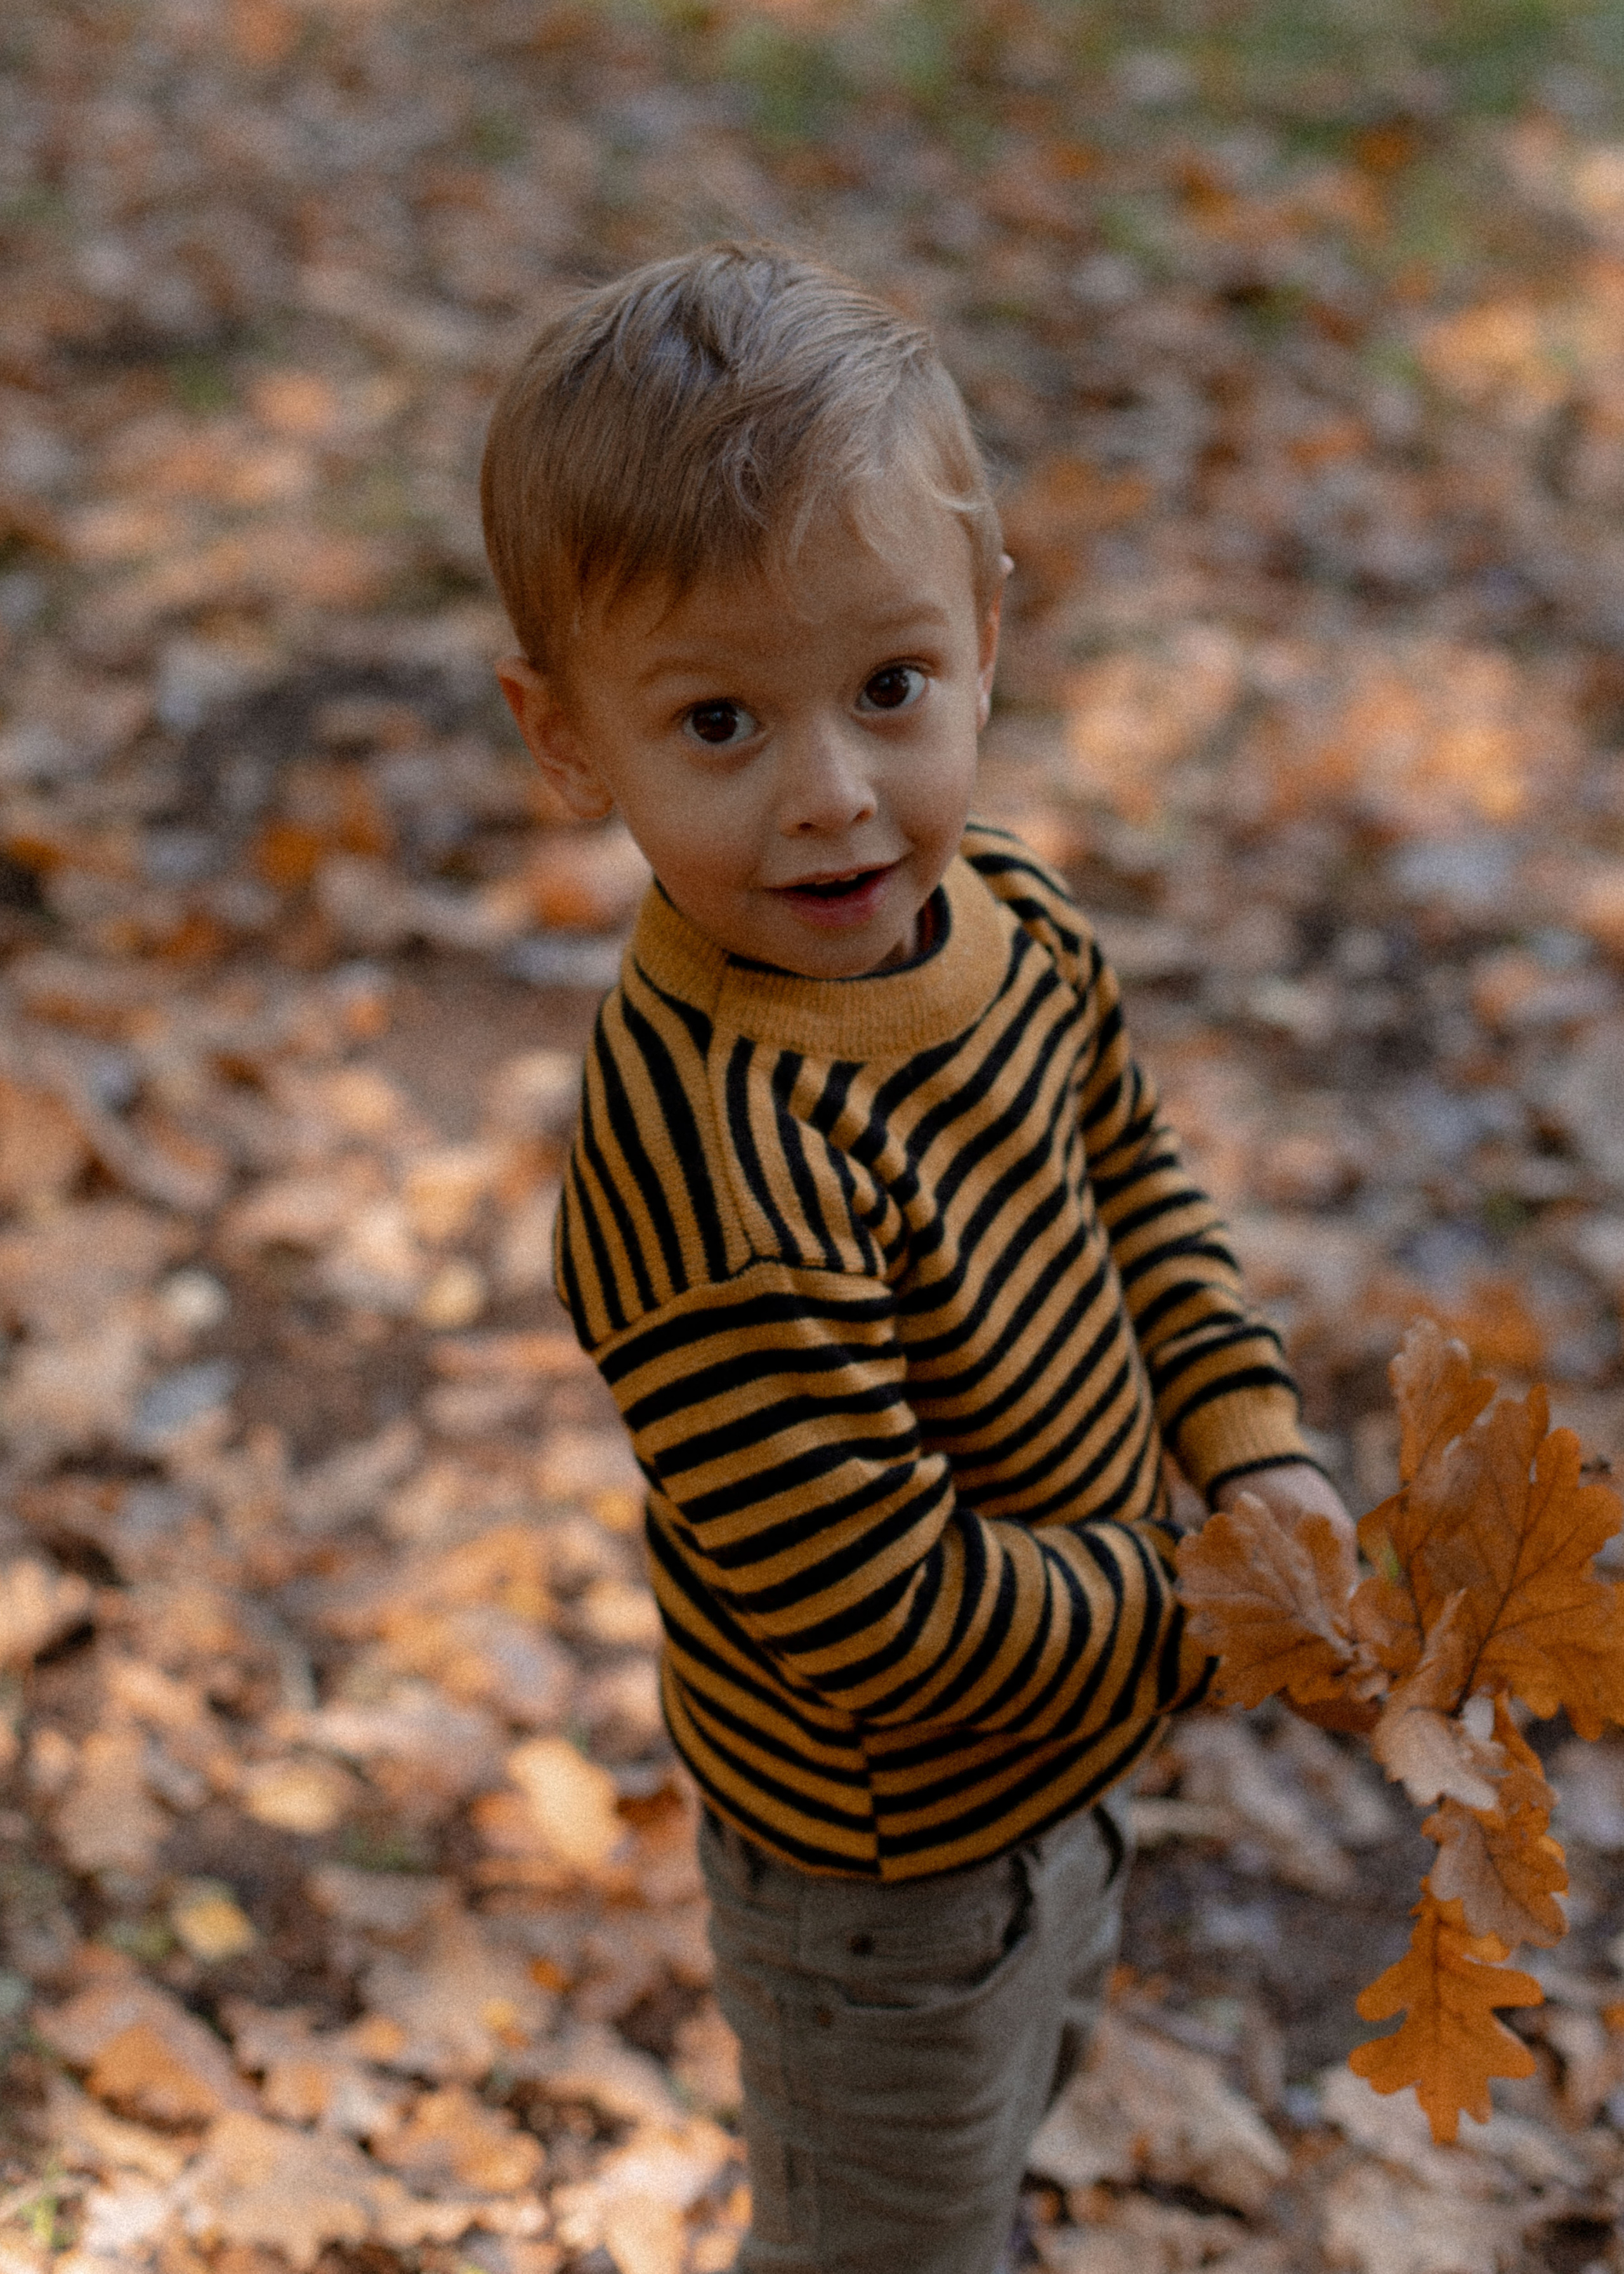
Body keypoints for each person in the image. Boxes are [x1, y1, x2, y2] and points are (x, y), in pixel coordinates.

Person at [481, 241, 1353, 2274]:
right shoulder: (713, 1150)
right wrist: (1209, 1610)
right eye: (718, 722)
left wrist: (1254, 1451)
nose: (834, 798)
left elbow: (1136, 1181)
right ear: (568, 740)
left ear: (983, 637)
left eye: (890, 689)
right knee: (886, 2230)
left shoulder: (1017, 922)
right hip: (880, 1862)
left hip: (1072, 1747)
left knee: (1001, 2126)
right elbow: (876, 1608)